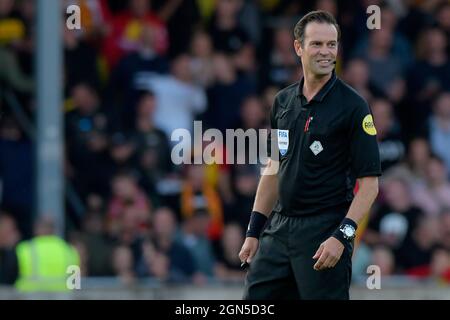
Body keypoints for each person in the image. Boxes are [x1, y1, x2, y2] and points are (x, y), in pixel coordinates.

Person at [238, 11, 381, 300]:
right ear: (298, 47)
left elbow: (369, 186)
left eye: (332, 44)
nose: (326, 52)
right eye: (317, 44)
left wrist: (342, 237)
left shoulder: (354, 106)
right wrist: (254, 231)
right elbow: (273, 170)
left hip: (324, 233)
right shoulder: (283, 102)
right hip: (278, 230)